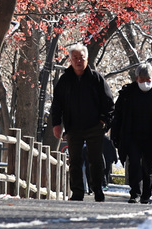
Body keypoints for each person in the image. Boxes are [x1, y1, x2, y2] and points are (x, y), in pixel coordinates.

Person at [48, 44, 115, 202]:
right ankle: (77, 192)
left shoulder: (96, 78)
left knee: (95, 160)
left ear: (87, 59)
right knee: (75, 161)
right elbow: (57, 104)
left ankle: (98, 189)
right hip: (73, 127)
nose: (78, 61)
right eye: (75, 58)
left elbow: (109, 103)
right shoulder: (65, 80)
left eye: (81, 58)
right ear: (70, 60)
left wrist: (104, 122)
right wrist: (56, 124)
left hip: (94, 126)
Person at [112, 63, 152, 204]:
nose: (145, 83)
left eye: (148, 80)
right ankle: (135, 193)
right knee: (134, 164)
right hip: (132, 136)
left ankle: (146, 194)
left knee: (148, 167)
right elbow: (117, 117)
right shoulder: (127, 94)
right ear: (136, 78)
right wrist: (115, 136)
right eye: (141, 80)